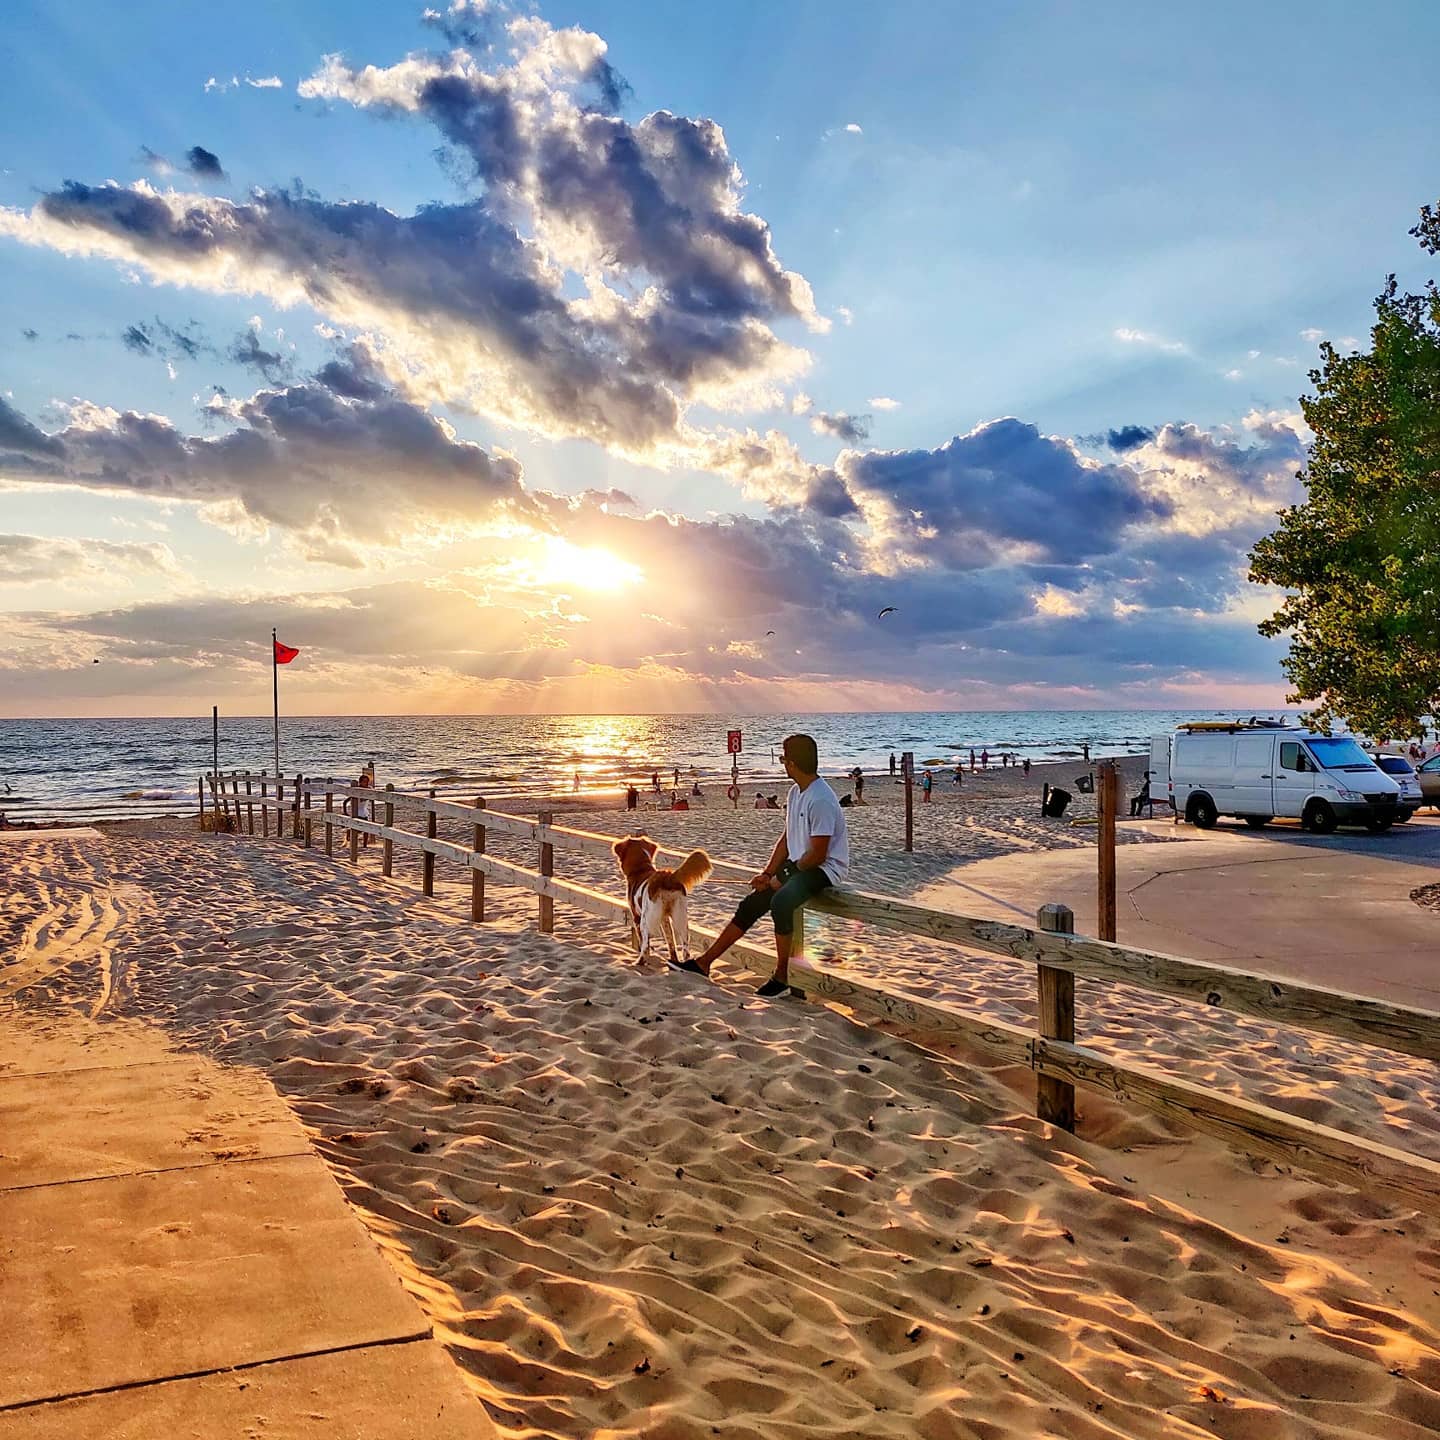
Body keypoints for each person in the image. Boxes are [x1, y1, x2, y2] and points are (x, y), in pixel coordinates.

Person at [678, 733, 850, 997]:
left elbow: (818, 854)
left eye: (783, 758)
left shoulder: (821, 799)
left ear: (792, 763)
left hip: (825, 869)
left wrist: (784, 876)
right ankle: (704, 963)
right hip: (798, 864)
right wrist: (768, 872)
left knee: (781, 902)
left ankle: (782, 976)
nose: (782, 763)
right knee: (752, 902)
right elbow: (786, 838)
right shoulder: (795, 793)